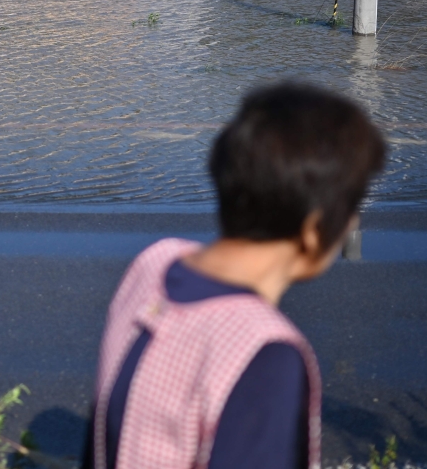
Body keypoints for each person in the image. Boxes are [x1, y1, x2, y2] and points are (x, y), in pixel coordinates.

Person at [82, 83, 386, 469]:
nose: (353, 222)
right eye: (352, 207)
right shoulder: (266, 354)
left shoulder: (151, 265)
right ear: (313, 231)